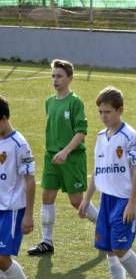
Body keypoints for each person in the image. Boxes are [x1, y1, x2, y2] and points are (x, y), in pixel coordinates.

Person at [79, 87, 136, 279]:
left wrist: (132, 203)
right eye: (100, 112)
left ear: (120, 110)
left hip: (125, 199)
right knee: (109, 248)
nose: (103, 116)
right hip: (106, 199)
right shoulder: (101, 136)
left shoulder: (130, 136)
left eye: (108, 112)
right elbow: (97, 171)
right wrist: (86, 199)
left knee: (120, 248)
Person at [28, 59, 98, 256]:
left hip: (72, 158)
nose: (55, 80)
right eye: (53, 76)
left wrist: (66, 151)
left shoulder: (75, 102)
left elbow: (81, 132)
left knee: (76, 201)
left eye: (59, 76)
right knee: (47, 195)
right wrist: (56, 152)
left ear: (70, 78)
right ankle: (46, 241)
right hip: (52, 158)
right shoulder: (49, 102)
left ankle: (104, 227)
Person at [0, 96, 36, 279]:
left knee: (2, 259)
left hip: (12, 209)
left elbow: (30, 180)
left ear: (4, 119)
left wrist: (28, 215)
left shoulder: (19, 144)